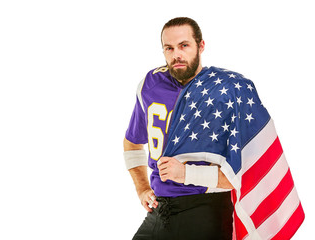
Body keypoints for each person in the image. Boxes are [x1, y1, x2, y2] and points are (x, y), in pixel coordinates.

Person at [124, 17, 304, 240]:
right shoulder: (150, 84)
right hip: (160, 210)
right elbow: (132, 143)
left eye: (184, 45)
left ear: (201, 46)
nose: (176, 54)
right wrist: (142, 188)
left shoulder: (230, 90)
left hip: (206, 210)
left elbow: (247, 173)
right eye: (169, 48)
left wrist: (186, 173)